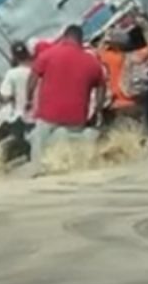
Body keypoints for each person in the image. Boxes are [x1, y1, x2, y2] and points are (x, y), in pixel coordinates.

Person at [25, 24, 106, 176]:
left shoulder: (48, 55)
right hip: (76, 117)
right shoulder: (92, 62)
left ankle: (38, 170)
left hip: (48, 114)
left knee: (39, 141)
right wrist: (98, 111)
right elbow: (102, 87)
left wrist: (28, 100)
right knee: (73, 145)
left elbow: (33, 78)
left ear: (64, 37)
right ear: (80, 40)